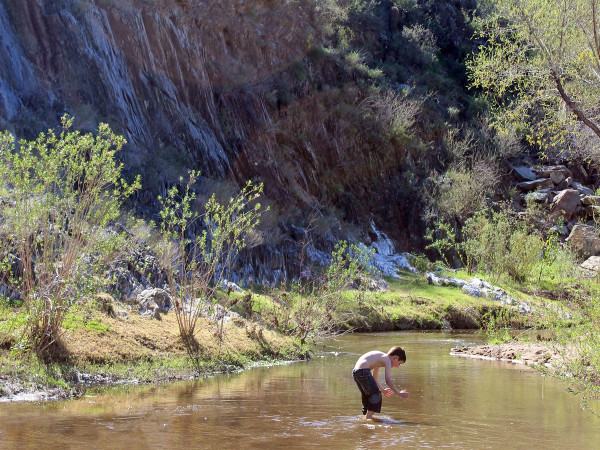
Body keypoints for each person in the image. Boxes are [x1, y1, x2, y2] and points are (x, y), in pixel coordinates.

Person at [352, 346, 409, 419]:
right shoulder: (387, 360)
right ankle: (368, 418)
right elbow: (388, 380)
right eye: (399, 363)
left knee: (367, 395)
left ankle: (365, 417)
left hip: (356, 372)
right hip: (363, 371)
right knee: (376, 394)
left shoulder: (380, 358)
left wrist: (382, 390)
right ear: (396, 358)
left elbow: (375, 378)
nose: (397, 366)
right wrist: (398, 393)